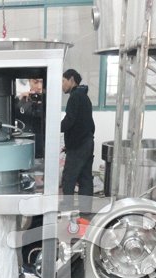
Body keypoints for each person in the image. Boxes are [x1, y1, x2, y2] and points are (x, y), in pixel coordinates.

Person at [61, 69, 95, 216]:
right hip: (87, 143)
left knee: (68, 178)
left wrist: (53, 128)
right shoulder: (84, 96)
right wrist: (68, 144)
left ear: (71, 80)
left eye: (63, 81)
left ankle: (67, 210)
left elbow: (70, 120)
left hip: (79, 146)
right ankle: (86, 212)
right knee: (85, 178)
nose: (62, 85)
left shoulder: (75, 97)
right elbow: (81, 124)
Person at [15, 78, 45, 158]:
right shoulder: (23, 100)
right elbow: (13, 117)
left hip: (41, 146)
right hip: (23, 145)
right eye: (35, 82)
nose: (39, 86)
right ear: (29, 82)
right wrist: (19, 101)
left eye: (42, 82)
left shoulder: (48, 101)